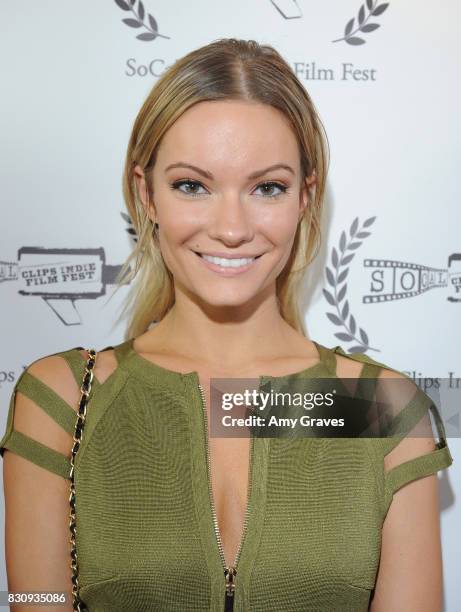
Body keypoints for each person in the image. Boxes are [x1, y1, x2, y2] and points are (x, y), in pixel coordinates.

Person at [1, 38, 453, 612]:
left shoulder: (378, 407)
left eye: (268, 188)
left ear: (304, 201)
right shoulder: (63, 400)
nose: (232, 227)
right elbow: (36, 599)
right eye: (193, 185)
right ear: (147, 196)